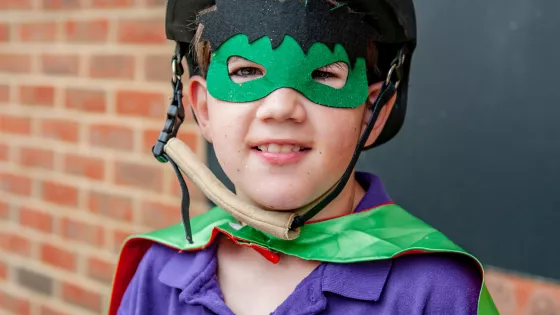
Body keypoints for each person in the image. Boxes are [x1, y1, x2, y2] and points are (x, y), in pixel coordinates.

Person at [109, 0, 499, 314]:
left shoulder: (441, 296)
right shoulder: (157, 272)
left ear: (373, 112)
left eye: (324, 75)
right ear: (203, 108)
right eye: (245, 70)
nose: (280, 108)